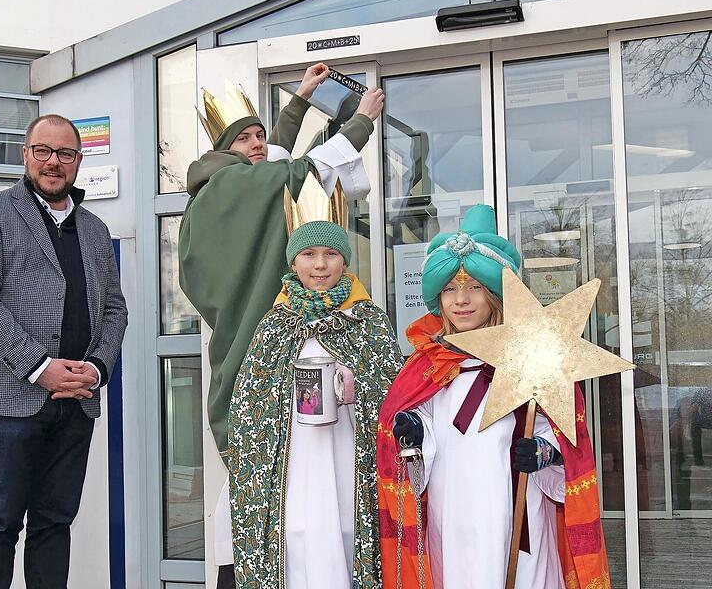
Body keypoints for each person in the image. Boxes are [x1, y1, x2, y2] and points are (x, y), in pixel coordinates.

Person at [178, 63, 384, 586]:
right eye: (243, 138)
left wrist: (300, 101)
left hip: (260, 360)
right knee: (270, 495)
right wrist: (359, 122)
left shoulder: (218, 194)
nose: (258, 144)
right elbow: (290, 175)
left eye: (260, 136)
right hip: (259, 356)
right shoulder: (231, 186)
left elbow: (271, 168)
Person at [376, 204, 610, 589]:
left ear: (496, 295)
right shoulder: (427, 365)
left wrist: (545, 452)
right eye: (450, 289)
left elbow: (565, 432)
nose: (461, 300)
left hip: (517, 511)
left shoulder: (534, 356)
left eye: (473, 288)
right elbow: (418, 430)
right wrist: (414, 431)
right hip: (452, 513)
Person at [0, 114, 128, 589]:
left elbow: (115, 309)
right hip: (8, 401)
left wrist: (95, 368)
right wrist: (39, 367)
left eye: (66, 154)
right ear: (26, 154)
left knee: (54, 524)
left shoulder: (93, 228)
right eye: (44, 151)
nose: (55, 163)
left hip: (76, 401)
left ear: (78, 160)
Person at [228, 219, 405, 589]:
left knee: (346, 534)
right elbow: (249, 403)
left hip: (348, 460)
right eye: (308, 254)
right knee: (294, 537)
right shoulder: (274, 324)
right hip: (292, 465)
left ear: (345, 262)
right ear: (294, 264)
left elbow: (396, 396)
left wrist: (361, 392)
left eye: (331, 254)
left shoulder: (368, 321)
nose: (320, 265)